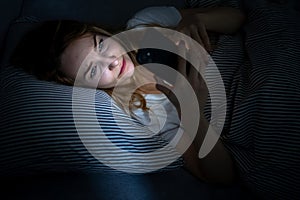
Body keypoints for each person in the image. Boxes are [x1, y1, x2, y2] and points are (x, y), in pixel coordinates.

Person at [10, 3, 300, 199]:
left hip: (267, 55)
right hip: (259, 110)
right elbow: (221, 176)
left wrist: (197, 20)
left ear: (100, 30)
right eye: (92, 69)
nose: (110, 61)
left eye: (100, 45)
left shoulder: (145, 23)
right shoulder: (144, 109)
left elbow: (237, 18)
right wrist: (194, 114)